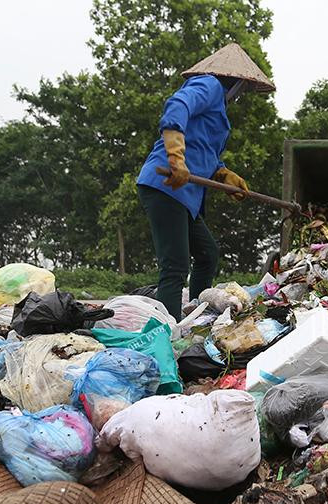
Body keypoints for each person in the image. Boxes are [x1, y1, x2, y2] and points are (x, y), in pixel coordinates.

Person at [136, 43, 275, 320]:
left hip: (187, 197)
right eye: (243, 88)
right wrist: (175, 155)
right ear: (236, 82)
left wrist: (224, 175)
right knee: (175, 266)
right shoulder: (209, 84)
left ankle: (198, 315)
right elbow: (177, 106)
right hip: (165, 185)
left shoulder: (219, 115)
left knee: (207, 253)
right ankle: (169, 329)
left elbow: (206, 155)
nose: (242, 95)